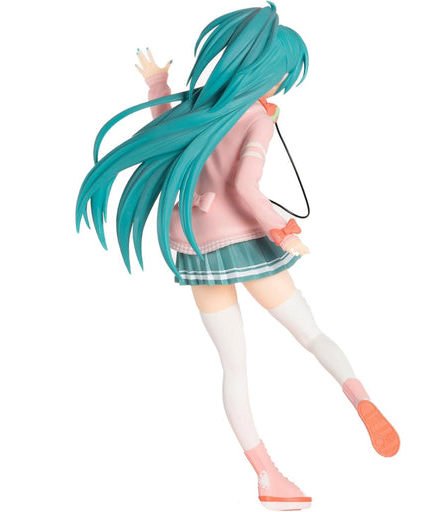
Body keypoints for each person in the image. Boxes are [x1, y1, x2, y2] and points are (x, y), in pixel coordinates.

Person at [76, 3, 400, 510]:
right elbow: (245, 187)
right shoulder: (255, 119)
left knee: (235, 367)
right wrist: (282, 230)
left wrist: (158, 84)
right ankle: (361, 401)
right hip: (247, 240)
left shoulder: (198, 105)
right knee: (311, 334)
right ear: (274, 73)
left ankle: (268, 477)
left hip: (196, 245)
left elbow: (166, 134)